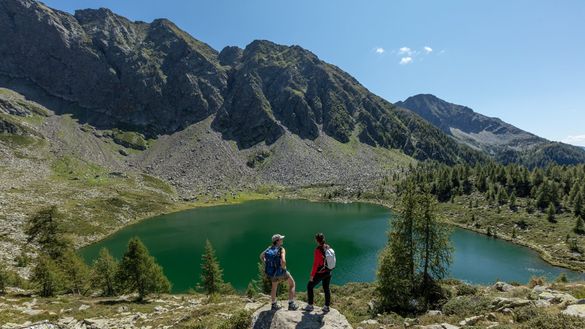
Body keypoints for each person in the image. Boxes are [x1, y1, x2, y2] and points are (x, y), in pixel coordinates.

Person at [259, 234, 299, 311]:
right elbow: (283, 261)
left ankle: (273, 305)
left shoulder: (269, 249)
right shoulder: (281, 249)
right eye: (280, 239)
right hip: (281, 272)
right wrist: (284, 269)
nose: (282, 240)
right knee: (292, 284)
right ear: (277, 241)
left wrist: (266, 263)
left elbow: (261, 256)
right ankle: (291, 304)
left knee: (274, 287)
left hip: (272, 273)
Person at [305, 233, 332, 312]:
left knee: (309, 286)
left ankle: (310, 305)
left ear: (316, 240)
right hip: (328, 271)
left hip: (321, 272)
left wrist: (312, 275)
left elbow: (316, 264)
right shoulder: (328, 246)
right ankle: (326, 306)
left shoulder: (317, 250)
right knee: (326, 288)